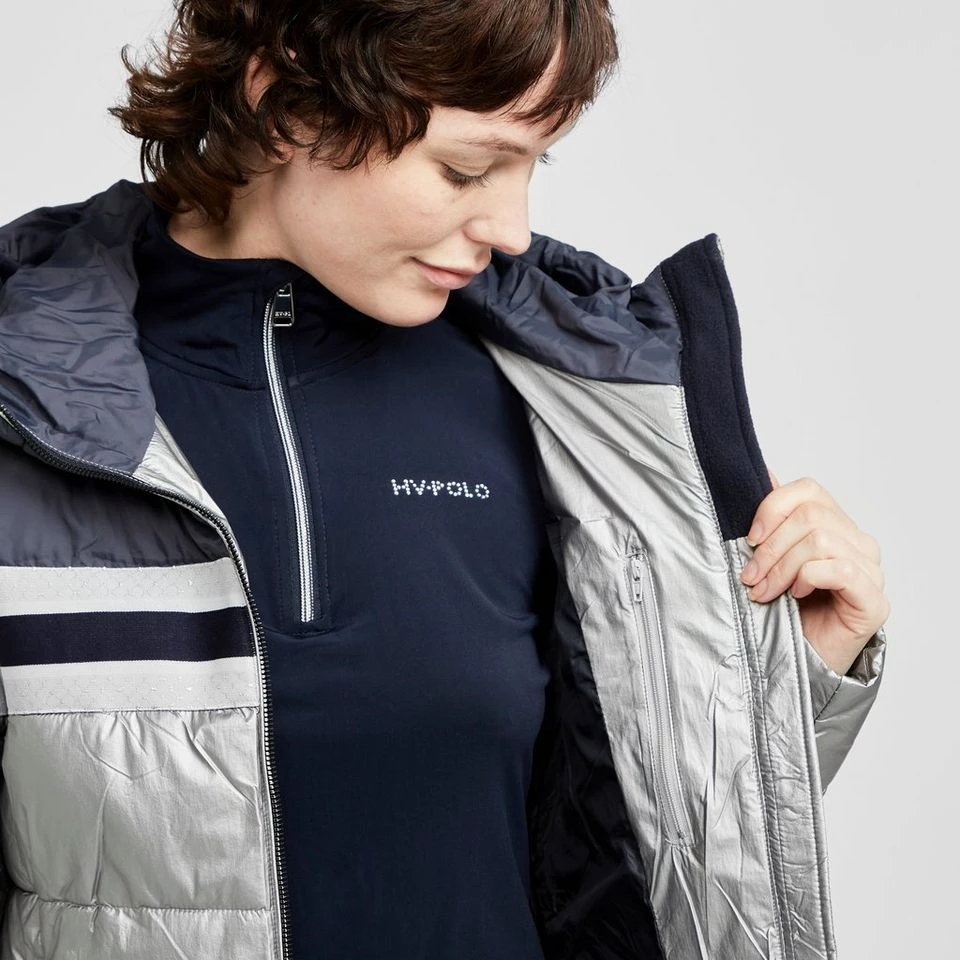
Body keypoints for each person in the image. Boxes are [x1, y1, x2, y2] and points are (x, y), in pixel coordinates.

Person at [0, 1, 889, 958]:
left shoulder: (564, 408)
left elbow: (631, 868)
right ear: (288, 104)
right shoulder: (25, 404)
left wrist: (786, 677)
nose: (511, 229)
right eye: (466, 169)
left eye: (533, 165)